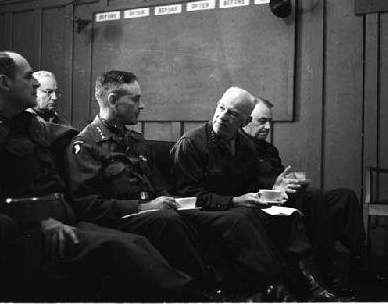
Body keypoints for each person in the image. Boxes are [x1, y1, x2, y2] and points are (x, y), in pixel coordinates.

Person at [0, 52, 192, 302]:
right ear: (3, 82)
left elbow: (71, 136)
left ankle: (191, 292)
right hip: (35, 233)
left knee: (137, 242)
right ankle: (188, 297)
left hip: (66, 221)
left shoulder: (27, 126)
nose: (35, 83)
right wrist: (38, 221)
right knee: (120, 248)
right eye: (27, 77)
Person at [64, 71, 291, 301]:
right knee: (170, 221)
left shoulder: (135, 141)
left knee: (223, 216)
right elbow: (88, 206)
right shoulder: (86, 145)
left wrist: (170, 201)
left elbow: (162, 186)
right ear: (112, 100)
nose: (142, 105)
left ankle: (269, 286)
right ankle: (207, 293)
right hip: (125, 218)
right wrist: (145, 207)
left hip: (158, 211)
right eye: (135, 99)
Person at [170, 86, 342, 302]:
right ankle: (278, 286)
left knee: (284, 215)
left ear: (244, 122)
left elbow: (250, 186)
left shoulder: (246, 146)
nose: (222, 117)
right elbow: (186, 196)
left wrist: (273, 190)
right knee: (243, 218)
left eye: (232, 114)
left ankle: (303, 279)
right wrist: (235, 201)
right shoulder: (191, 144)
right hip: (200, 211)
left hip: (233, 209)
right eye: (221, 108)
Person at [242, 97, 388, 292]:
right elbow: (243, 185)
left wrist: (292, 180)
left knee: (344, 197)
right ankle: (327, 274)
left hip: (289, 198)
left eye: (270, 121)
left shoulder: (269, 148)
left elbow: (279, 176)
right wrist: (275, 185)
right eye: (262, 121)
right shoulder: (239, 148)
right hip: (265, 204)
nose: (268, 127)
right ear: (246, 120)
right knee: (314, 197)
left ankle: (360, 266)